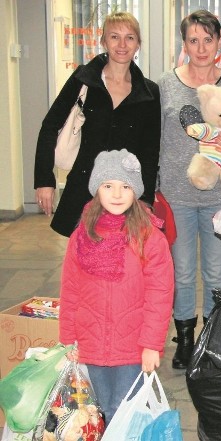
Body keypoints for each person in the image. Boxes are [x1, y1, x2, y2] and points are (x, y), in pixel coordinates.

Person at [157, 10, 221, 369]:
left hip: (218, 197)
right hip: (176, 195)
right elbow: (157, 139)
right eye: (193, 40)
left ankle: (212, 340)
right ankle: (185, 338)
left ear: (219, 42)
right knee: (181, 272)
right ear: (184, 44)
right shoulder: (166, 84)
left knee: (214, 272)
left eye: (208, 39)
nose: (201, 47)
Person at [59, 149, 174, 425]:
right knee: (95, 413)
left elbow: (160, 296)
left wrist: (151, 345)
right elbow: (70, 290)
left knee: (125, 413)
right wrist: (67, 339)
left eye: (125, 186)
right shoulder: (81, 236)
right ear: (96, 189)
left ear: (136, 191)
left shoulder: (149, 237)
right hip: (90, 343)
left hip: (131, 348)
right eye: (108, 185)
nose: (117, 194)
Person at [34, 11, 161, 237]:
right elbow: (50, 125)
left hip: (125, 193)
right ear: (103, 41)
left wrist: (145, 200)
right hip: (83, 189)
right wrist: (44, 180)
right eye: (114, 37)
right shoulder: (84, 80)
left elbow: (150, 151)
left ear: (138, 44)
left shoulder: (149, 92)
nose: (122, 44)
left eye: (129, 37)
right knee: (83, 262)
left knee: (120, 265)